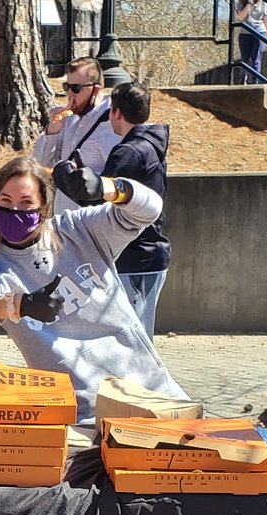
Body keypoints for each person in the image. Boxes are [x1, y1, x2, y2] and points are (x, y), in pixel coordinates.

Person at [0, 156, 189, 424]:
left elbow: (149, 209)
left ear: (43, 208)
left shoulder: (79, 230)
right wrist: (16, 305)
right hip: (83, 416)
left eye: (26, 202)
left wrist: (107, 187)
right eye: (5, 201)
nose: (15, 209)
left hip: (152, 391)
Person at [102, 82, 170, 340]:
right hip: (149, 254)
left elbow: (101, 198)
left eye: (111, 111)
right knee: (139, 337)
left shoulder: (129, 151)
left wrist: (73, 179)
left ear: (117, 112)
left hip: (133, 255)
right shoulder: (151, 145)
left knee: (131, 340)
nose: (110, 117)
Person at [33, 56, 121, 214]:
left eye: (76, 88)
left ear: (96, 89)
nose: (69, 94)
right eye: (66, 86)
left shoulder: (112, 125)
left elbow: (118, 181)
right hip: (64, 220)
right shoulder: (69, 120)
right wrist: (53, 130)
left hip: (93, 223)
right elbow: (43, 161)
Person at [235, 0, 267, 84]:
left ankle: (255, 80)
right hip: (245, 33)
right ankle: (243, 79)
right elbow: (240, 17)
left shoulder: (263, 3)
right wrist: (249, 4)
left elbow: (266, 18)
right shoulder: (240, 3)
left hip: (259, 32)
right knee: (245, 58)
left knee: (256, 58)